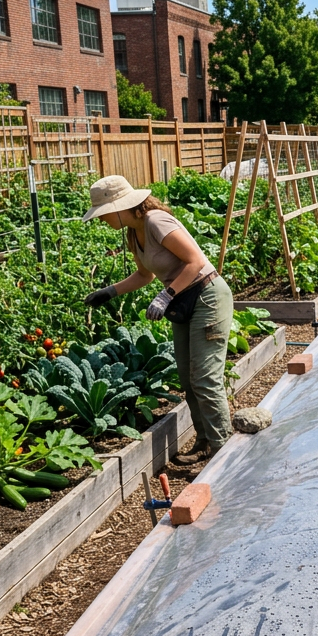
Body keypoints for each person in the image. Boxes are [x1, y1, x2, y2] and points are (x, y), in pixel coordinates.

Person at [81, 175, 233, 464]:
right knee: (189, 379)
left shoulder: (155, 221)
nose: (101, 220)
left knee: (205, 379)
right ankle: (204, 441)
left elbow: (196, 261)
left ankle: (223, 452)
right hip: (184, 302)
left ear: (118, 207)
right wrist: (109, 292)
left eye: (102, 214)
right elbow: (145, 275)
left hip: (207, 297)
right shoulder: (133, 232)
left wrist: (166, 295)